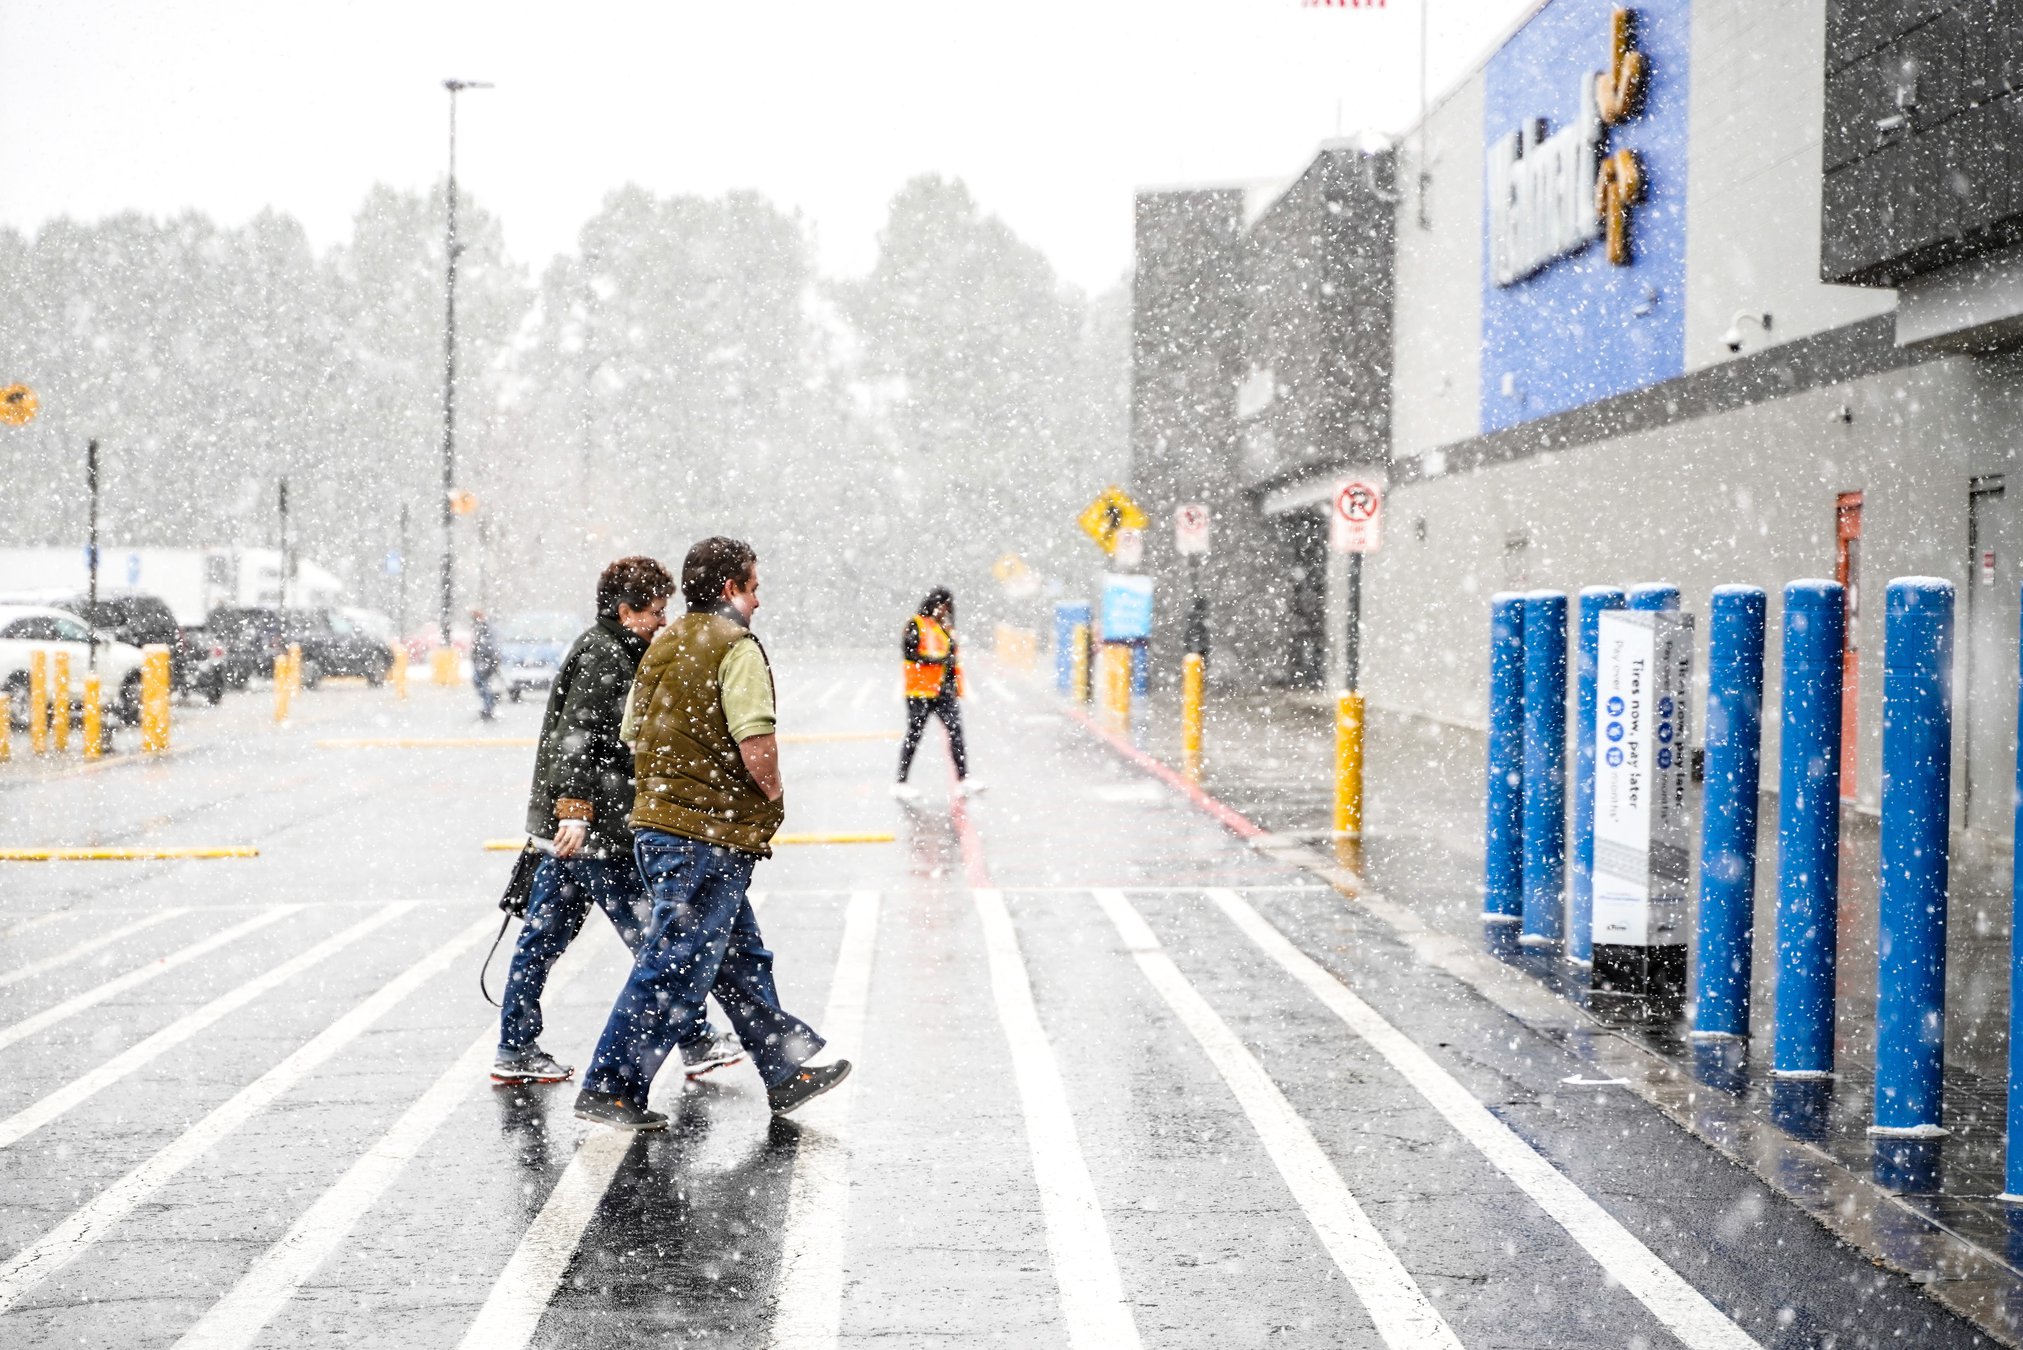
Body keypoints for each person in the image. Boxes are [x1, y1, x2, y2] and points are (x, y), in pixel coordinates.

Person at [574, 536, 850, 1131]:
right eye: (753, 588)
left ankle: (786, 1070)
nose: (757, 602)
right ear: (730, 589)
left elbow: (631, 733)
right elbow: (756, 741)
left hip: (661, 827)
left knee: (739, 958)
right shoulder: (735, 646)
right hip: (706, 835)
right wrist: (771, 794)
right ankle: (610, 1085)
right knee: (674, 965)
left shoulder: (663, 643)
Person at [493, 557, 744, 1087]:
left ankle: (514, 1047)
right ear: (625, 610)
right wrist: (577, 815)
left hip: (571, 833)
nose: (662, 619)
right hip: (595, 833)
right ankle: (697, 1042)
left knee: (543, 940)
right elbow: (577, 740)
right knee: (653, 940)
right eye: (655, 611)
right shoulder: (604, 655)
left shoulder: (611, 648)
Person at [892, 587, 976, 798]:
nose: (943, 611)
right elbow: (910, 653)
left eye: (946, 607)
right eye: (940, 605)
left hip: (944, 691)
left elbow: (952, 658)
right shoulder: (916, 624)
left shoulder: (944, 627)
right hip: (920, 691)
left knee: (956, 732)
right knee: (914, 734)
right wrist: (937, 661)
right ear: (931, 604)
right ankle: (901, 782)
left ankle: (964, 778)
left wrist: (954, 684)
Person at [471, 609, 502, 722]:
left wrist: (490, 657)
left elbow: (491, 644)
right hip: (483, 659)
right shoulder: (481, 627)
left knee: (482, 682)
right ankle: (488, 705)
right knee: (481, 682)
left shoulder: (486, 627)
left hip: (485, 660)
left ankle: (489, 707)